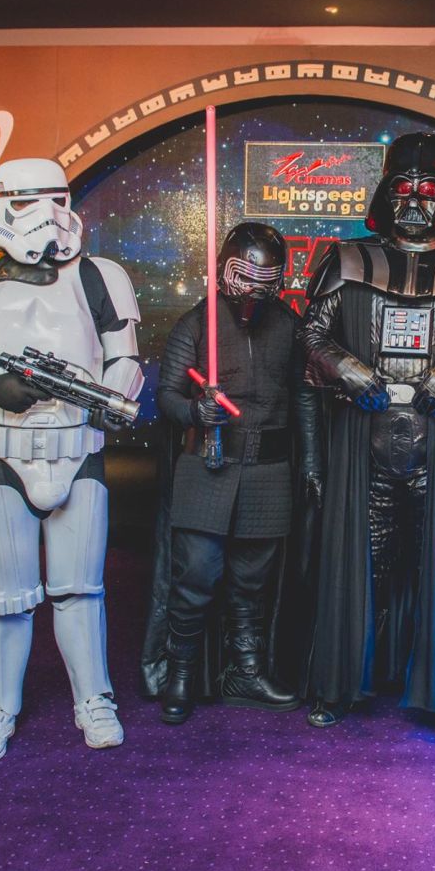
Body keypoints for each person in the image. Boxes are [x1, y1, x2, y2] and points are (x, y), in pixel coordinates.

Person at [0, 158, 143, 761]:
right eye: (28, 201)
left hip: (78, 448)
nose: (47, 215)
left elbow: (124, 357)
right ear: (0, 205)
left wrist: (111, 398)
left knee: (80, 591)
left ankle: (94, 699)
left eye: (57, 199)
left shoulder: (99, 276)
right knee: (2, 600)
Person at [300, 132, 435, 743]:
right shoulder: (348, 260)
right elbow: (311, 338)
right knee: (357, 566)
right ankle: (338, 683)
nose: (415, 201)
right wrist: (347, 368)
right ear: (384, 192)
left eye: (428, 189)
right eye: (403, 188)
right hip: (363, 441)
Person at [140, 222, 321, 724]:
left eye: (267, 279)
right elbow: (167, 396)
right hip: (208, 465)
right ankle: (180, 674)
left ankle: (246, 672)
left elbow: (304, 396)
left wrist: (311, 459)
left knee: (252, 582)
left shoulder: (288, 325)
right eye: (245, 276)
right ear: (224, 269)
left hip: (268, 470)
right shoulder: (196, 323)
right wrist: (194, 411)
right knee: (196, 576)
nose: (254, 291)